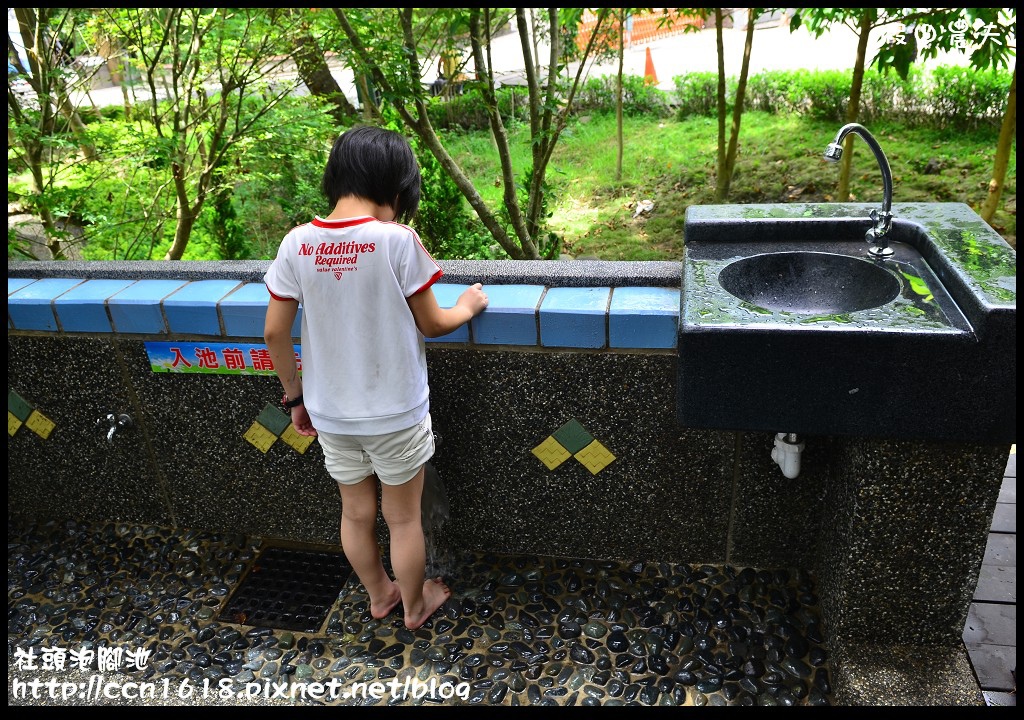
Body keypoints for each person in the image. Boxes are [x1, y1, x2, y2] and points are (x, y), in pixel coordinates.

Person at [263, 125, 489, 630]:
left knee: (356, 513)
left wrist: (296, 399)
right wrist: (468, 305)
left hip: (330, 413)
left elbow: (275, 334)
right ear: (395, 187)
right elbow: (432, 323)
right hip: (395, 413)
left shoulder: (297, 242)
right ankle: (414, 606)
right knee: (403, 518)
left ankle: (379, 595)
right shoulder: (396, 241)